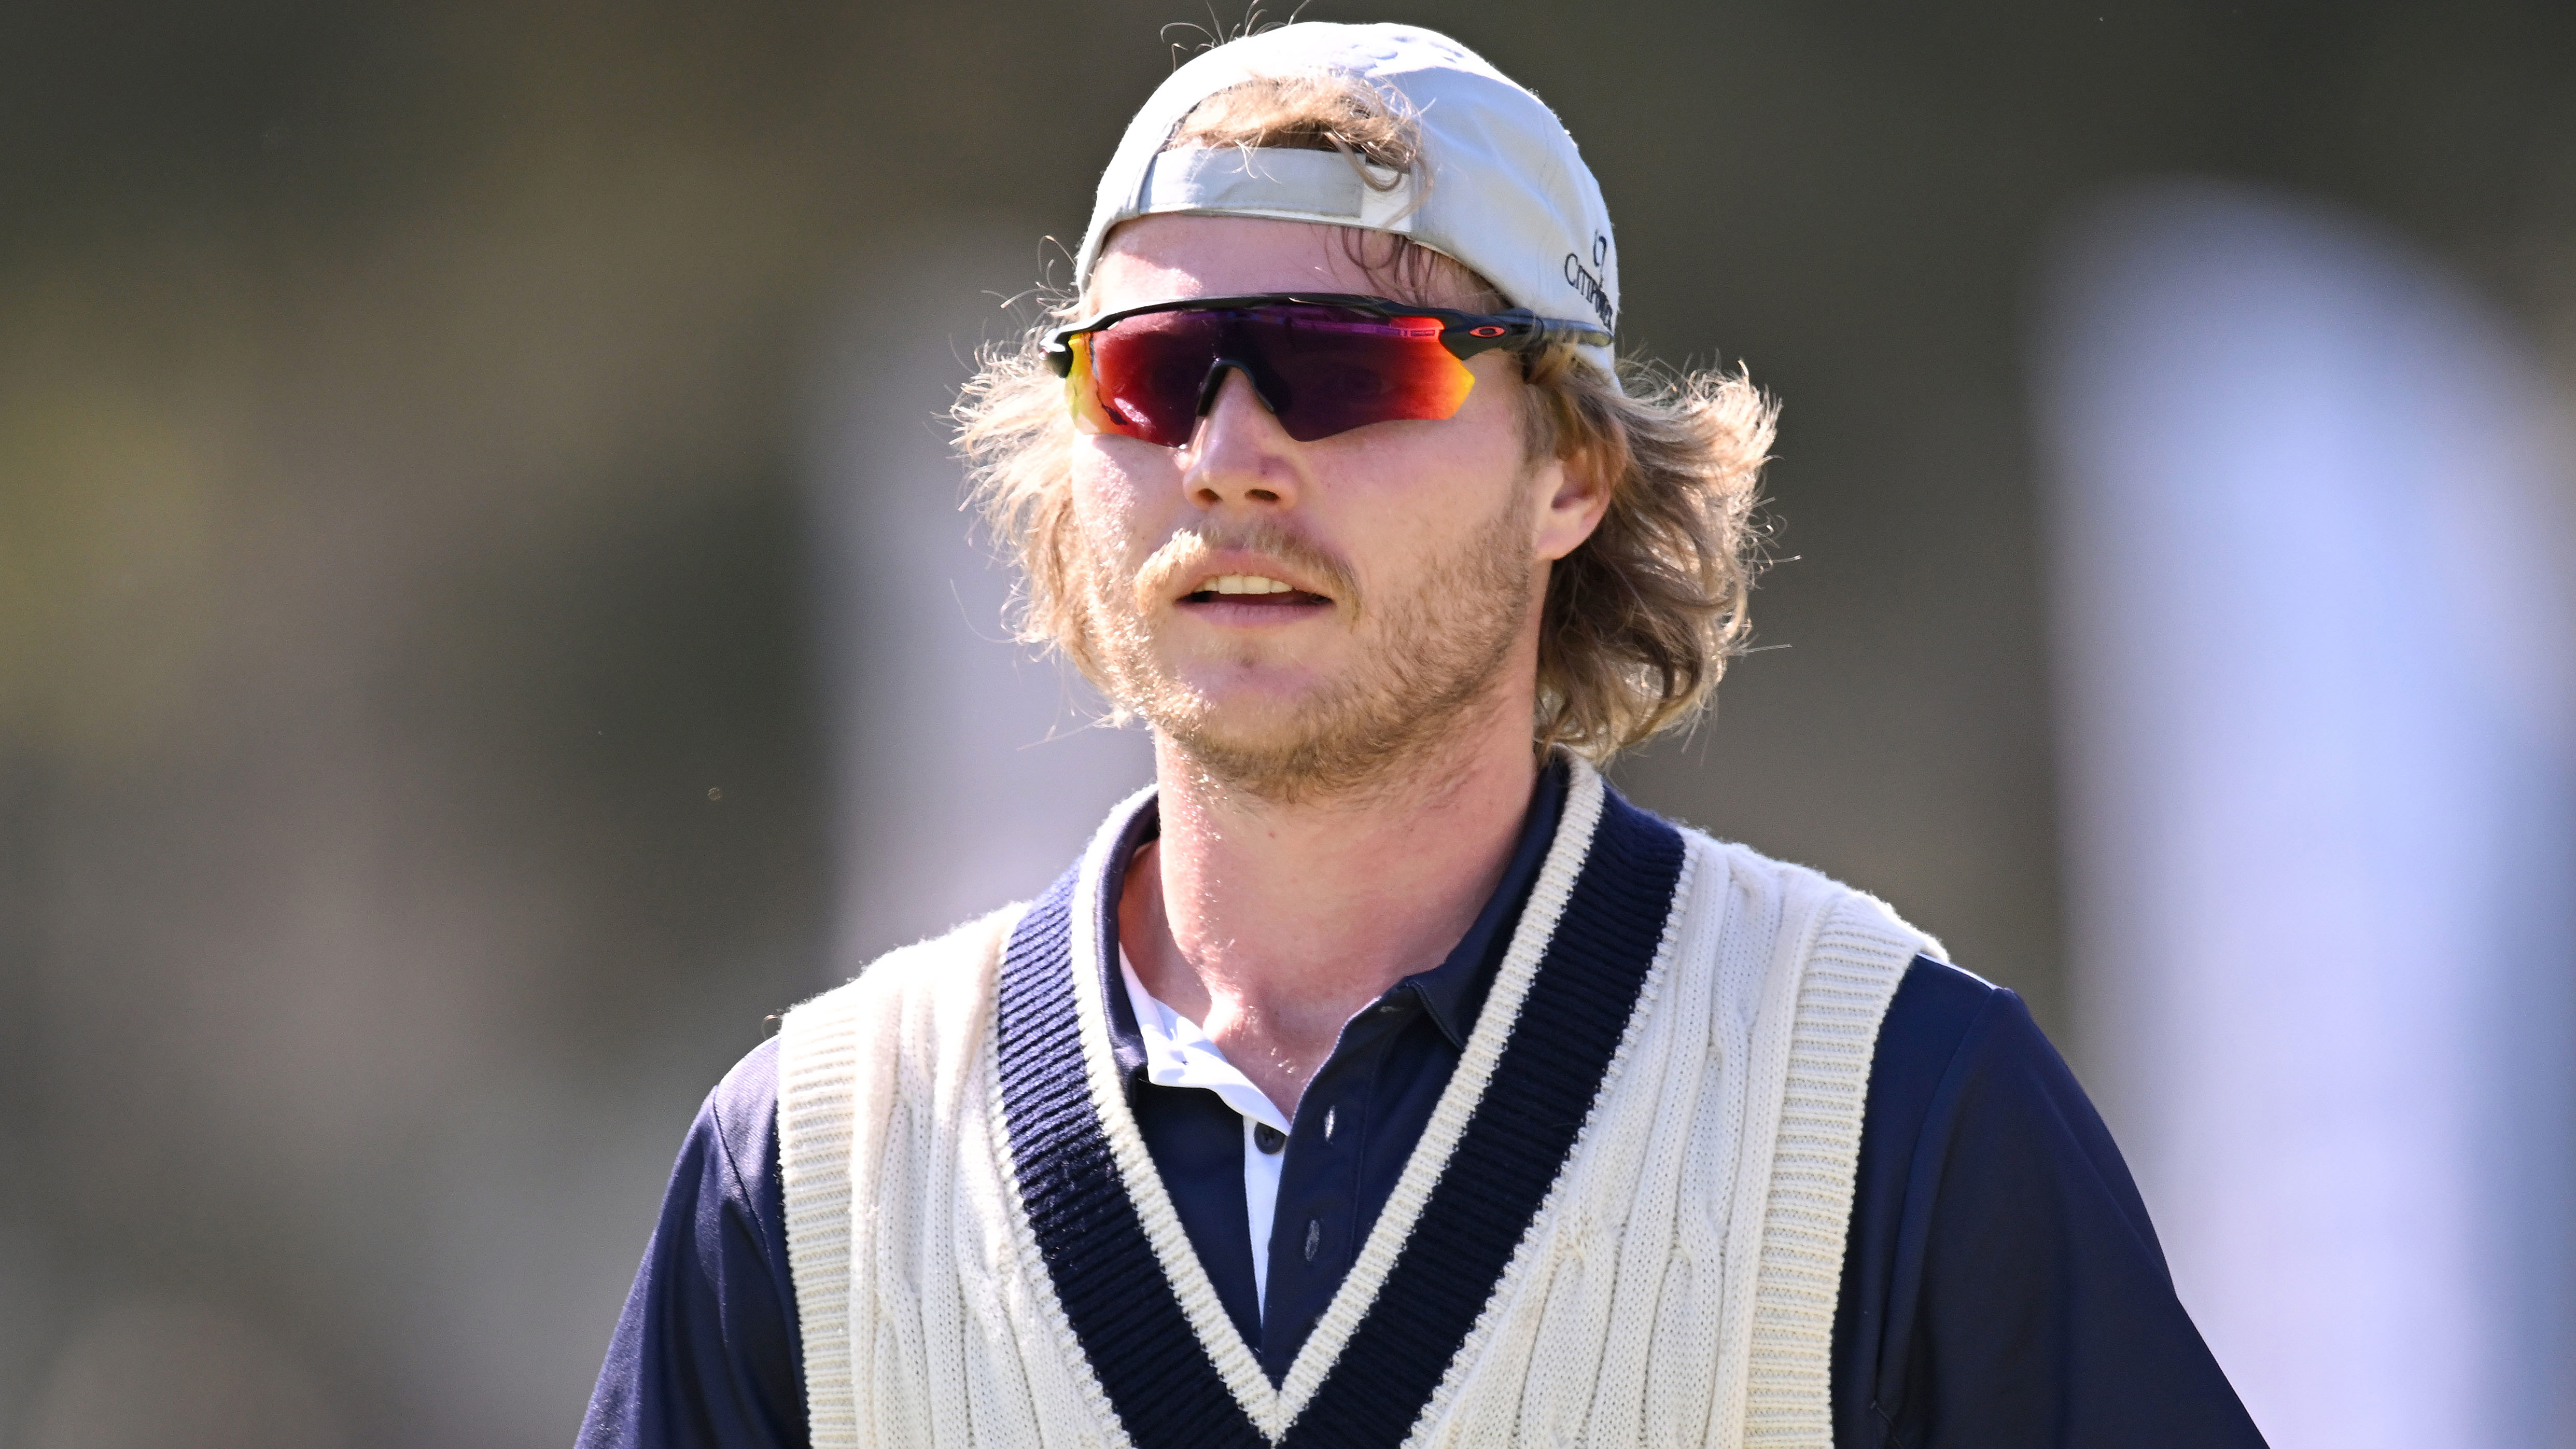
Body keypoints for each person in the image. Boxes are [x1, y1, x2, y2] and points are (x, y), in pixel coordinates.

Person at [578, 21, 2265, 1448]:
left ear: (1572, 472)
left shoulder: (1893, 1099)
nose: (1231, 455)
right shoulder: (807, 1160)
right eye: (1152, 376)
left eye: (1347, 363)